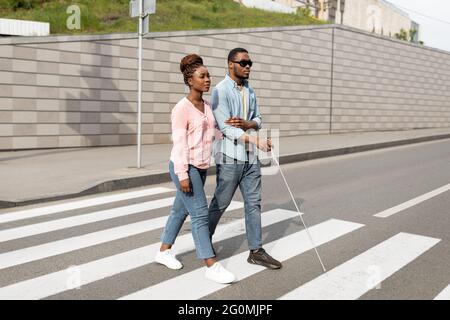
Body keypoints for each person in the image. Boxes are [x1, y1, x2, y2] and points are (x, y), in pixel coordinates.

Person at [155, 54, 235, 284]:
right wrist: (182, 175)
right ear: (190, 80)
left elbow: (214, 133)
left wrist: (237, 133)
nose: (208, 79)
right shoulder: (181, 109)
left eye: (209, 75)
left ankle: (163, 251)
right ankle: (210, 264)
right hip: (184, 166)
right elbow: (179, 144)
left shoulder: (207, 105)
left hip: (199, 167)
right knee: (199, 213)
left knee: (180, 211)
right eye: (203, 76)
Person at [208, 48, 283, 269]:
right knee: (221, 203)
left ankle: (256, 251)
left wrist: (249, 124)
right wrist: (256, 141)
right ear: (231, 64)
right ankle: (204, 238)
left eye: (250, 62)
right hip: (229, 156)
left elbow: (258, 119)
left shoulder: (249, 90)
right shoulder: (220, 91)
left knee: (254, 203)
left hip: (250, 158)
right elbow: (225, 128)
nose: (248, 66)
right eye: (244, 62)